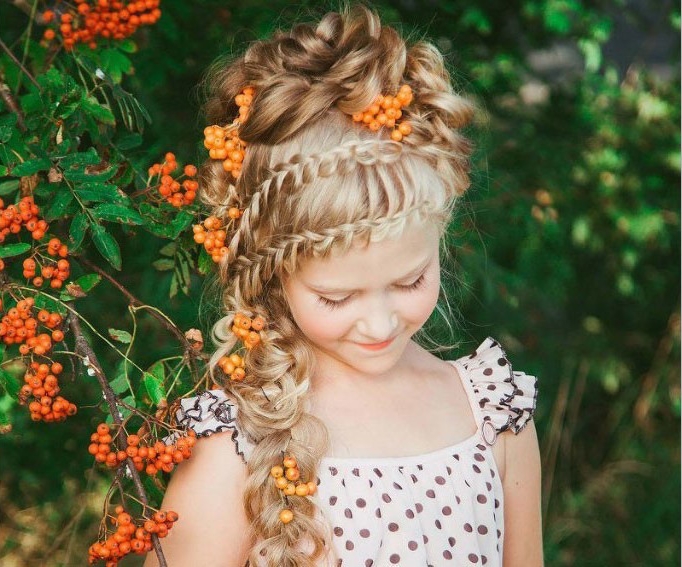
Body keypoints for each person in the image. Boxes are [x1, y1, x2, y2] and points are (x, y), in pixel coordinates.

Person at [144, 5, 542, 567]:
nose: (380, 324)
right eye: (336, 297)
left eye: (410, 280)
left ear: (441, 238)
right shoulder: (237, 443)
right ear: (272, 272)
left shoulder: (492, 414)